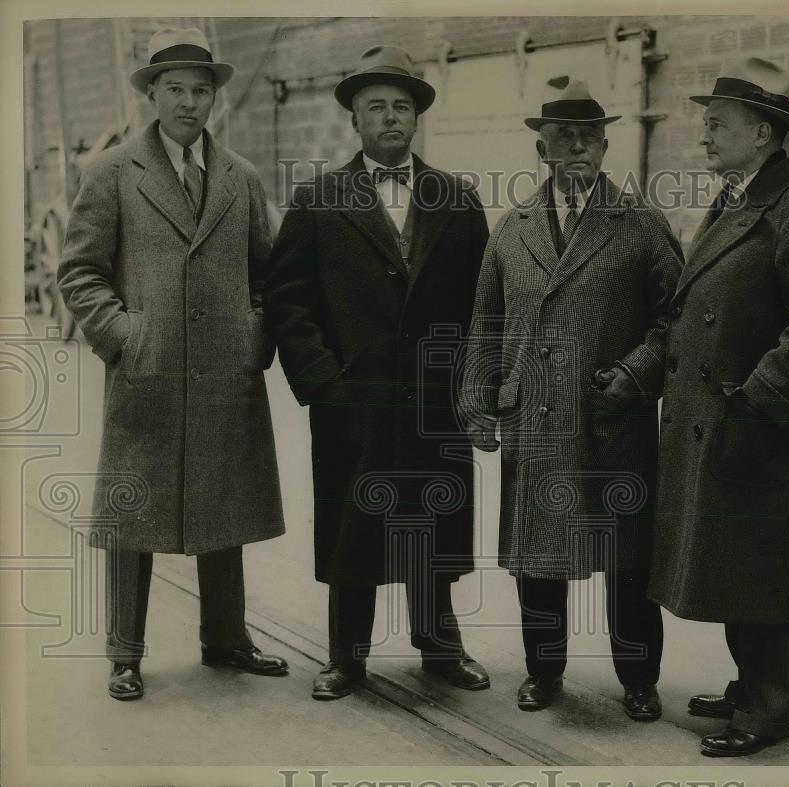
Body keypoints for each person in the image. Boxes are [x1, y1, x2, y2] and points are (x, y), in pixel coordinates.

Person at [57, 27, 288, 701]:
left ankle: (226, 637)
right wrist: (126, 335)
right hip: (147, 372)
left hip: (224, 371)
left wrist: (254, 337)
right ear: (152, 93)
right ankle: (125, 652)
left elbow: (269, 274)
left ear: (215, 97)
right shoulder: (111, 174)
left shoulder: (241, 178)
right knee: (134, 513)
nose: (190, 102)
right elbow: (79, 271)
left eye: (202, 90)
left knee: (223, 504)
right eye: (176, 89)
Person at [647, 56, 789, 756]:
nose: (703, 137)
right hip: (725, 422)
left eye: (717, 125)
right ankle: (749, 686)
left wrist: (759, 399)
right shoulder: (743, 196)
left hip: (759, 424)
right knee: (736, 563)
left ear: (763, 133)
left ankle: (770, 707)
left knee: (766, 570)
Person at [265, 45, 490, 700]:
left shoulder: (458, 198)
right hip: (352, 401)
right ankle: (346, 657)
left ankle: (440, 648)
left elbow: (484, 299)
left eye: (401, 106)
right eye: (376, 108)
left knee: (433, 524)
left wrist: (471, 382)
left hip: (433, 400)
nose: (391, 118)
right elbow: (288, 300)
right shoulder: (318, 199)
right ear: (354, 120)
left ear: (415, 118)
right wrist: (324, 383)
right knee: (353, 529)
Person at [460, 81, 683, 719]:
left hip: (615, 420)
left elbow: (676, 323)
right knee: (538, 553)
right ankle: (543, 671)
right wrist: (480, 401)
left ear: (607, 145)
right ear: (543, 147)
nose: (578, 146)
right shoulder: (512, 228)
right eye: (564, 136)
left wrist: (635, 375)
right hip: (535, 420)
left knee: (627, 558)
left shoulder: (640, 226)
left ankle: (640, 678)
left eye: (589, 135)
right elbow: (487, 322)